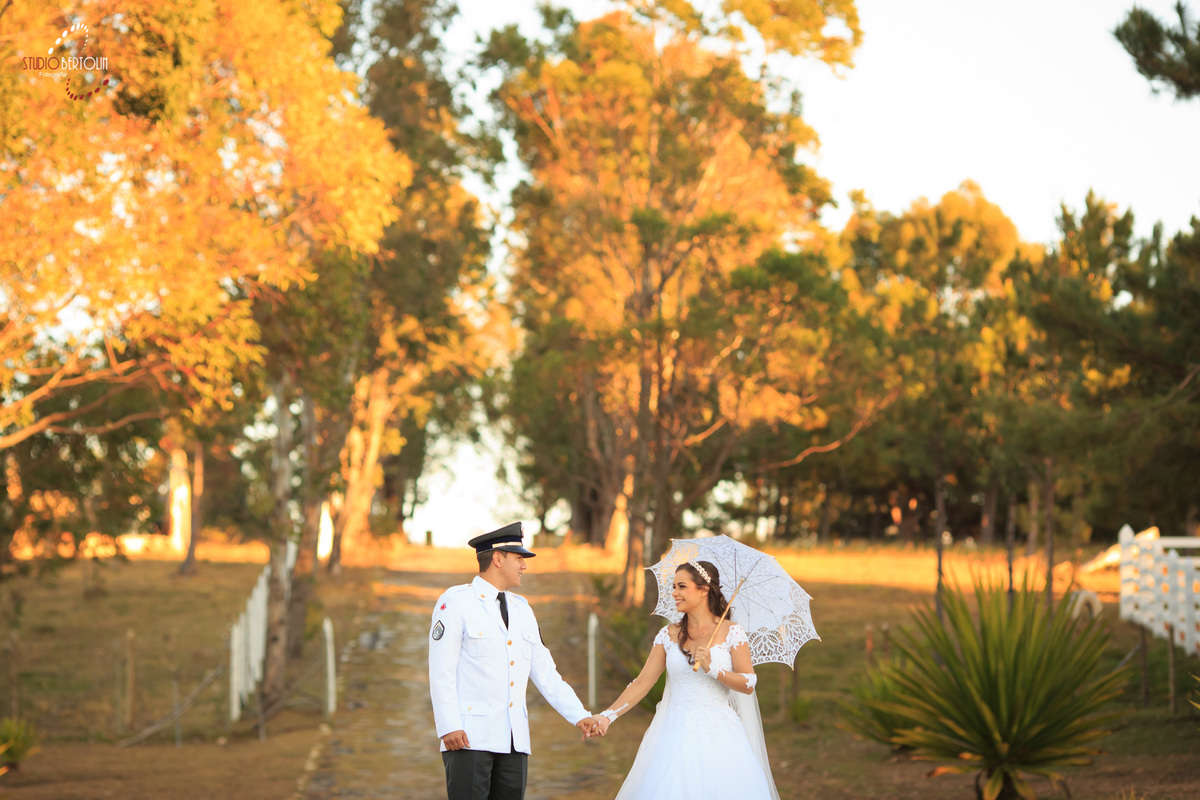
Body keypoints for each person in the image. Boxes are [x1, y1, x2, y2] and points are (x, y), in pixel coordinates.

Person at [428, 522, 599, 800]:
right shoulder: (456, 602)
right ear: (498, 558)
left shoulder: (522, 609)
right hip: (469, 737)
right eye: (519, 558)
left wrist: (579, 715)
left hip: (514, 741)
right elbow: (441, 670)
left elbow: (546, 673)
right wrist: (448, 725)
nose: (524, 566)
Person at [583, 560, 781, 800]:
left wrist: (714, 669)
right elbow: (642, 683)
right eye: (674, 586)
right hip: (673, 736)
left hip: (720, 739)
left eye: (681, 586)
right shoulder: (668, 635)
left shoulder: (732, 632)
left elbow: (748, 683)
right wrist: (607, 716)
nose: (674, 593)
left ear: (704, 589)